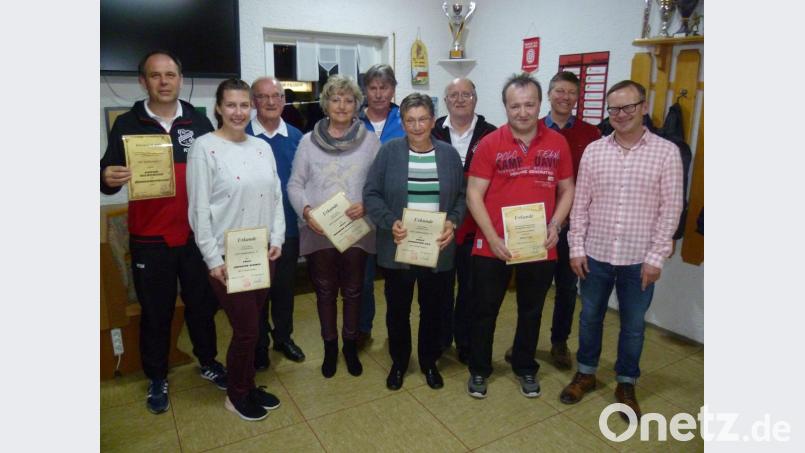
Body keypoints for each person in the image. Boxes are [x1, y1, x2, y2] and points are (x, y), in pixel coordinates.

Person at [100, 50, 226, 415]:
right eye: (156, 75)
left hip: (196, 236)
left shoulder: (199, 121)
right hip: (150, 239)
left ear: (180, 77)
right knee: (156, 312)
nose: (164, 81)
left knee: (202, 306)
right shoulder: (126, 122)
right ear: (144, 81)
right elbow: (108, 175)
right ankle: (157, 376)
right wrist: (105, 178)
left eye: (170, 74)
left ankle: (208, 361)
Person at [559, 80, 683, 421]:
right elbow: (580, 205)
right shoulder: (595, 151)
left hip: (638, 259)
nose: (622, 114)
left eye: (629, 106)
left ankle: (626, 381)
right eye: (614, 109)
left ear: (643, 107)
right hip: (595, 254)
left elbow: (671, 209)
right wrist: (576, 248)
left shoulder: (666, 153)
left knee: (633, 325)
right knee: (589, 318)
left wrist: (656, 257)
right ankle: (586, 371)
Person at [465, 73, 575, 399]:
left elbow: (567, 188)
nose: (523, 112)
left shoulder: (557, 143)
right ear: (505, 107)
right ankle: (480, 369)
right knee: (484, 310)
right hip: (492, 244)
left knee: (532, 310)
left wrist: (556, 224)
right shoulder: (489, 144)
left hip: (539, 243)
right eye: (516, 106)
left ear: (540, 104)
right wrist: (492, 236)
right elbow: (473, 193)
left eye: (529, 105)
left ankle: (525, 366)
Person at [187, 78, 284, 422]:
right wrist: (212, 259)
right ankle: (236, 394)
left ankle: (247, 383)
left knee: (253, 325)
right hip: (227, 258)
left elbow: (275, 197)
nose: (239, 112)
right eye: (231, 105)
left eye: (245, 105)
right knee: (246, 330)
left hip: (261, 253)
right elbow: (198, 210)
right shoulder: (204, 147)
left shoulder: (261, 147)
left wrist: (278, 239)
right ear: (218, 107)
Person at [364, 93, 466, 391]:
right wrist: (389, 221)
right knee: (397, 309)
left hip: (438, 250)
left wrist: (453, 222)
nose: (417, 126)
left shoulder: (448, 155)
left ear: (433, 120)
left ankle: (429, 361)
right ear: (402, 121)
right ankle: (399, 361)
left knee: (433, 309)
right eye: (410, 120)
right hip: (399, 248)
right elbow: (371, 193)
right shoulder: (388, 152)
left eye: (423, 119)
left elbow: (461, 196)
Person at [503, 71, 601, 369]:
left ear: (577, 97)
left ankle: (560, 341)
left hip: (571, 225)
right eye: (559, 91)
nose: (565, 97)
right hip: (531, 227)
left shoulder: (591, 134)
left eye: (571, 92)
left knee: (567, 289)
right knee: (532, 291)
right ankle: (523, 345)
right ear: (549, 94)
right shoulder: (530, 126)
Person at [287, 75, 380, 378]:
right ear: (325, 104)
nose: (342, 105)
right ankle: (329, 348)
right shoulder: (306, 142)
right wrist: (307, 211)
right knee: (325, 291)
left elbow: (378, 184)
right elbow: (295, 184)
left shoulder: (370, 142)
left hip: (357, 228)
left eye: (349, 100)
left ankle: (350, 347)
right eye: (335, 99)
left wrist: (367, 204)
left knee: (354, 290)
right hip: (319, 230)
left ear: (357, 105)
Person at [431, 77, 497, 364]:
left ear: (475, 99)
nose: (460, 99)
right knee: (441, 287)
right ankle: (441, 339)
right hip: (439, 224)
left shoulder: (492, 134)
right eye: (453, 95)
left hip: (477, 224)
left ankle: (466, 341)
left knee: (471, 288)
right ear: (445, 101)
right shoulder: (432, 132)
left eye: (466, 94)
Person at [246, 77, 306, 368]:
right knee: (256, 292)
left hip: (288, 230)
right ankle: (259, 344)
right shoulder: (239, 134)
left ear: (284, 100)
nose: (270, 102)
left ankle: (284, 338)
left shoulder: (297, 137)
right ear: (253, 101)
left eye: (276, 96)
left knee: (284, 290)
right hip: (250, 230)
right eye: (263, 96)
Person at [355, 64, 406, 348]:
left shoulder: (405, 118)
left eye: (384, 87)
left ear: (393, 89)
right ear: (365, 90)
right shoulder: (353, 120)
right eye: (372, 88)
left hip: (395, 211)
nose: (378, 94)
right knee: (363, 278)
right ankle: (363, 328)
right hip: (361, 210)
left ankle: (395, 331)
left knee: (395, 277)